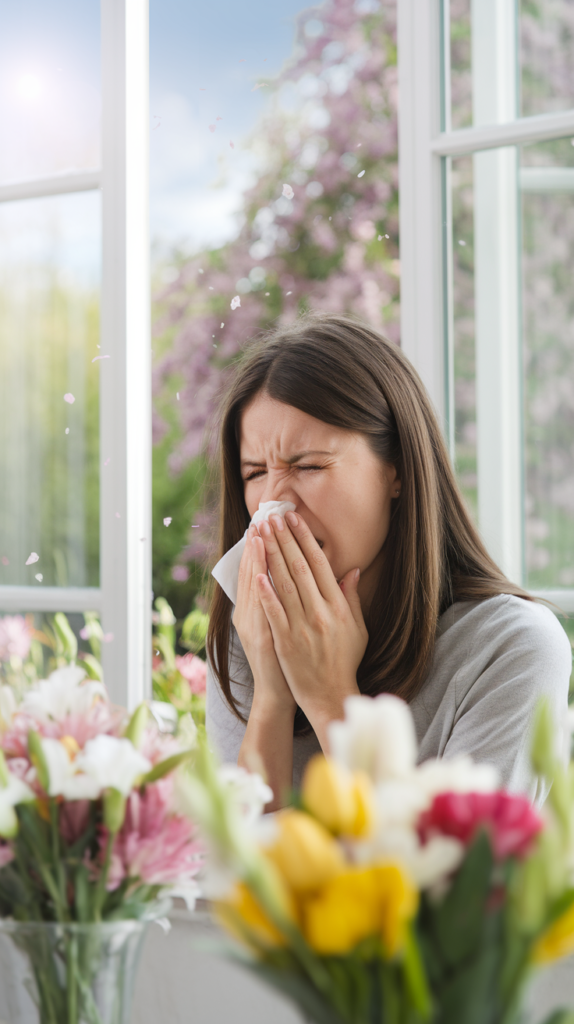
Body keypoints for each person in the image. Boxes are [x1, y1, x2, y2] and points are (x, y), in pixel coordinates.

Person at [206, 313, 572, 809]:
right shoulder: (249, 631)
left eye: (309, 465)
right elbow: (239, 864)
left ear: (396, 471)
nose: (274, 503)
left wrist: (329, 695)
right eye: (254, 473)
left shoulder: (511, 647)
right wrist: (273, 693)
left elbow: (457, 882)